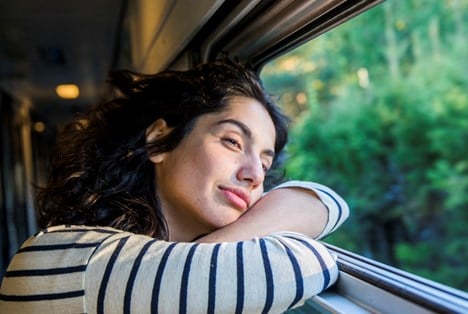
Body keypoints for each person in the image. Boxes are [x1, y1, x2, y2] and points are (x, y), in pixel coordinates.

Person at [0, 59, 349, 313]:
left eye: (265, 162)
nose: (254, 174)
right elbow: (308, 262)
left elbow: (324, 202)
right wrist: (213, 251)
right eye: (232, 141)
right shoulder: (65, 261)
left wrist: (208, 248)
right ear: (158, 142)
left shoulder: (174, 272)